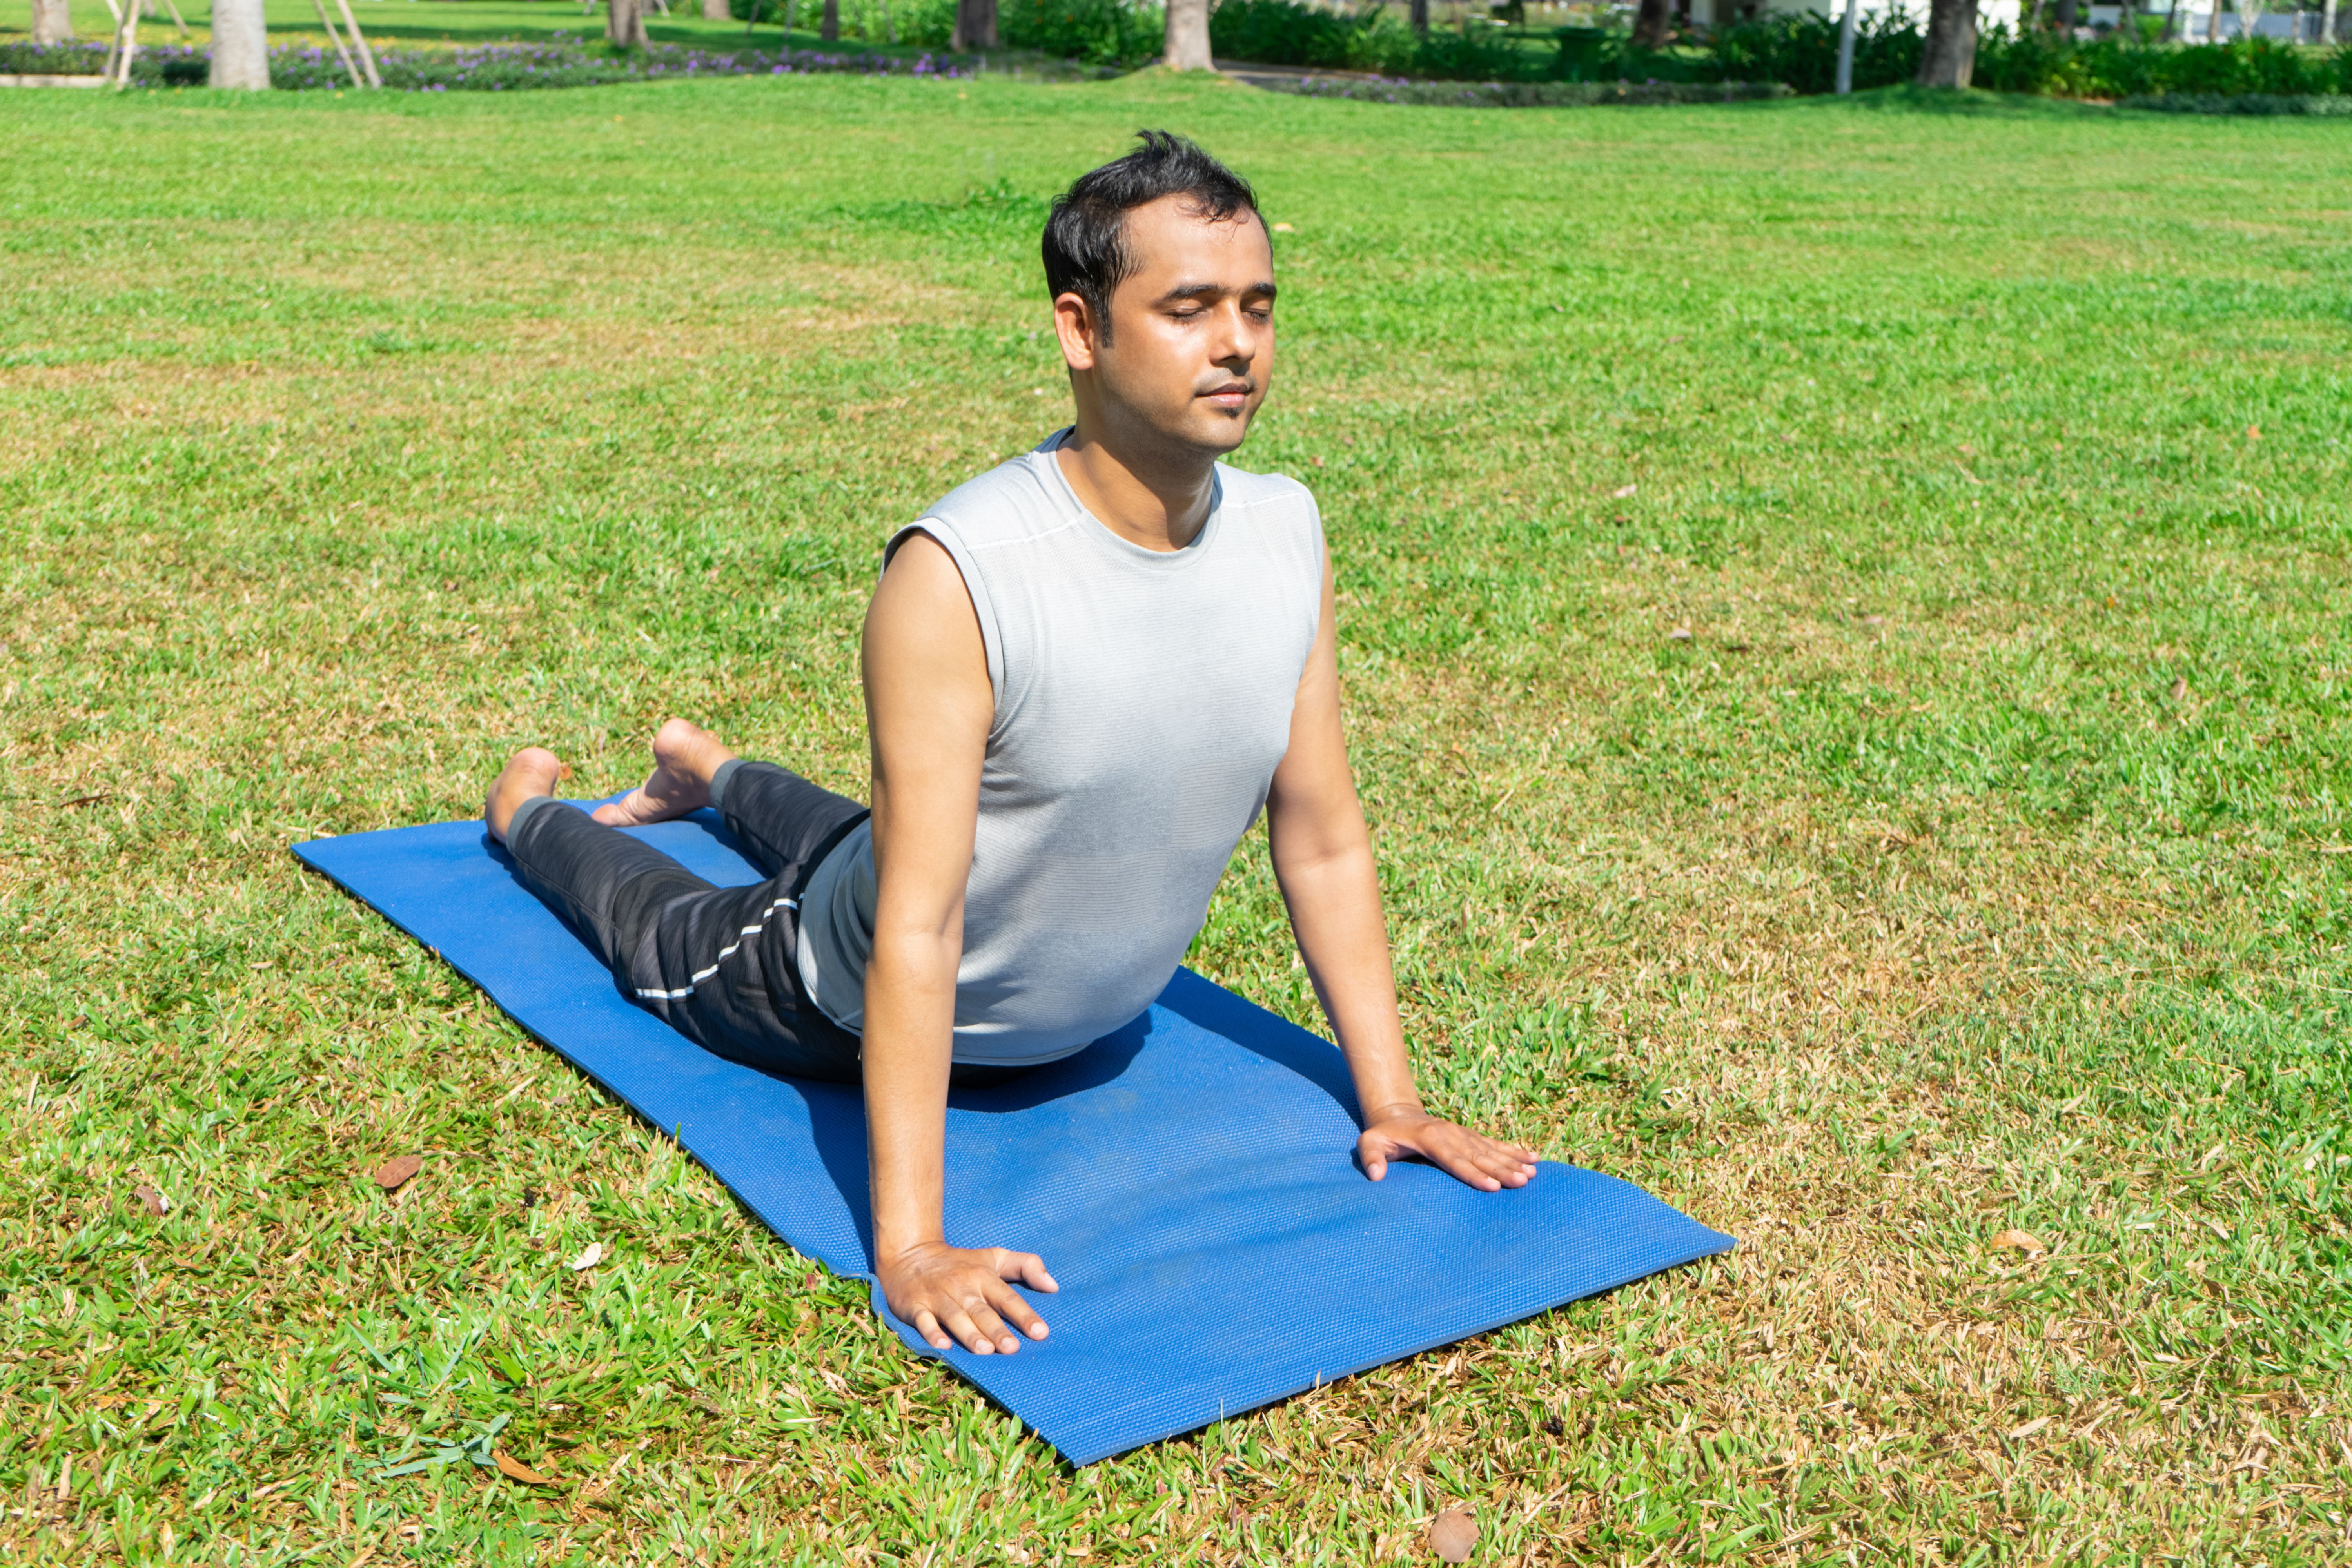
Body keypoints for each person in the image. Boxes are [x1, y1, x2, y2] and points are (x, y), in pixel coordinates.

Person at [482, 131, 1537, 1359]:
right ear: (1081, 330)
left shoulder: (1286, 530)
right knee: (664, 921)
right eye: (1189, 308)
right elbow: (920, 923)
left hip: (983, 937)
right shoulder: (961, 571)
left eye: (1257, 306)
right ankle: (525, 814)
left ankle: (708, 772)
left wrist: (1393, 1100)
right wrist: (913, 1246)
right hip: (824, 990)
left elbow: (1322, 836)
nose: (1238, 343)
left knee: (881, 838)